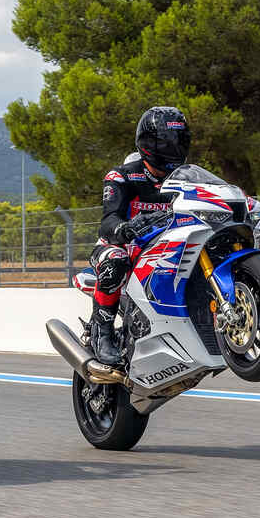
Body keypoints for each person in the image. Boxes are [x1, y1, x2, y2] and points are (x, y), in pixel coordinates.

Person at [89, 106, 191, 365]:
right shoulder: (122, 176)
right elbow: (107, 221)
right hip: (121, 248)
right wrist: (126, 228)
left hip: (164, 249)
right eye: (169, 141)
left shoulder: (186, 179)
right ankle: (101, 332)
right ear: (149, 143)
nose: (175, 146)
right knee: (115, 260)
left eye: (180, 140)